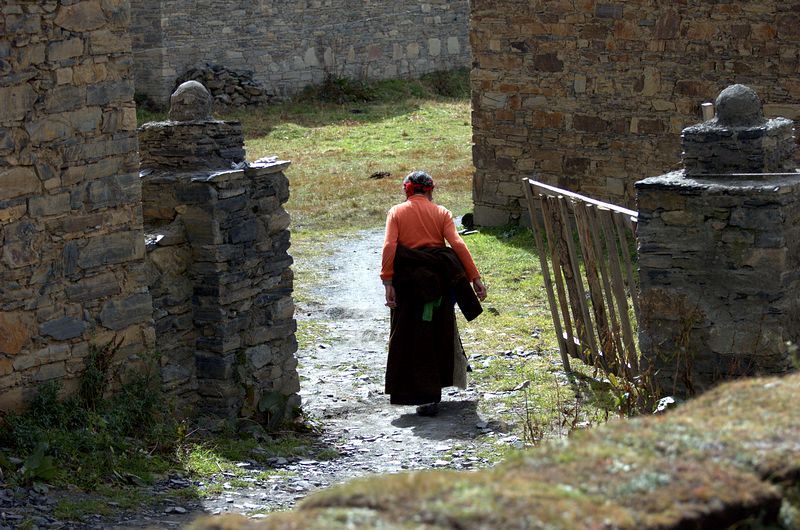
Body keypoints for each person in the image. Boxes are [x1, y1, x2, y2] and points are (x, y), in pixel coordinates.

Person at [380, 170, 487, 416]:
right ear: (430, 190)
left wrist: (388, 282)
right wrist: (475, 278)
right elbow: (458, 244)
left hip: (408, 284)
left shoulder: (396, 212)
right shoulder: (441, 213)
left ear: (407, 190)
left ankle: (416, 393)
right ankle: (434, 391)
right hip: (438, 284)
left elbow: (389, 246)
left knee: (408, 334)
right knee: (437, 332)